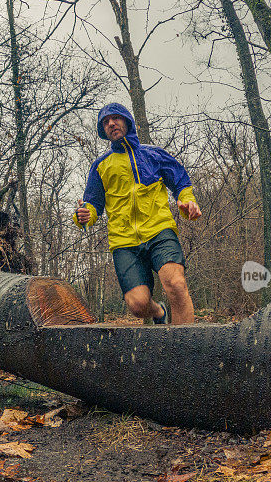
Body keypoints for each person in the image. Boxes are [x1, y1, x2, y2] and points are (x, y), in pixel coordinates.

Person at [74, 102, 201, 324]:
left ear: (127, 121)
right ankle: (159, 313)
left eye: (116, 118)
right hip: (124, 242)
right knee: (138, 305)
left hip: (159, 231)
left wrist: (188, 202)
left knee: (176, 285)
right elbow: (92, 205)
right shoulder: (101, 165)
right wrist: (83, 215)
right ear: (103, 130)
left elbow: (181, 182)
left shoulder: (154, 155)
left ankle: (184, 352)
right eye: (106, 121)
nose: (111, 123)